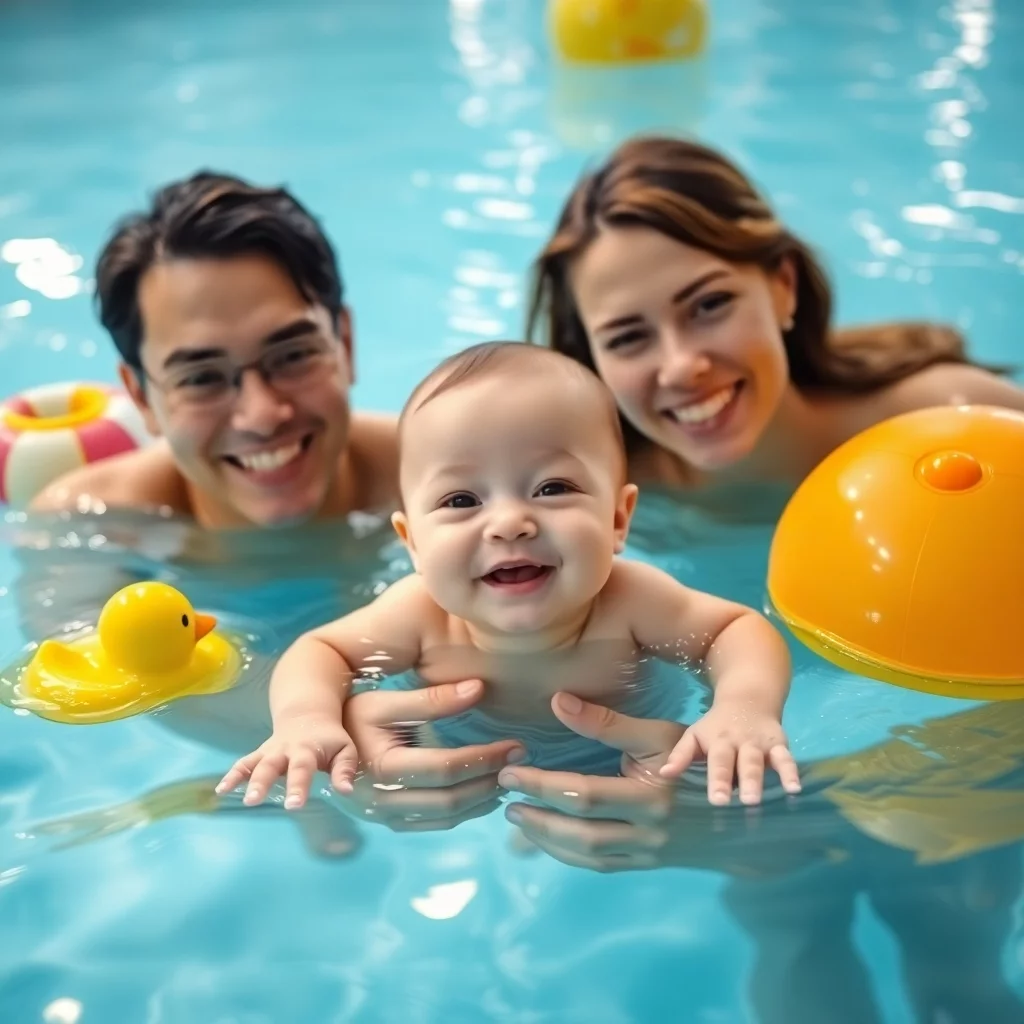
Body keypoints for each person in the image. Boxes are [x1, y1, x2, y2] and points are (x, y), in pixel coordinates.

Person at [216, 342, 802, 810]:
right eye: (462, 499)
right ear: (412, 542)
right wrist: (306, 721)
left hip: (634, 770)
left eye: (552, 488)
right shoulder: (418, 614)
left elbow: (736, 630)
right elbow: (320, 649)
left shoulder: (633, 601)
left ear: (619, 519)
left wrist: (743, 708)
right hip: (471, 779)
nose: (510, 523)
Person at [29, 171, 397, 527]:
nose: (262, 416)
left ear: (345, 344)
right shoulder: (87, 528)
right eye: (203, 378)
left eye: (293, 355)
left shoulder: (437, 482)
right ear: (141, 397)